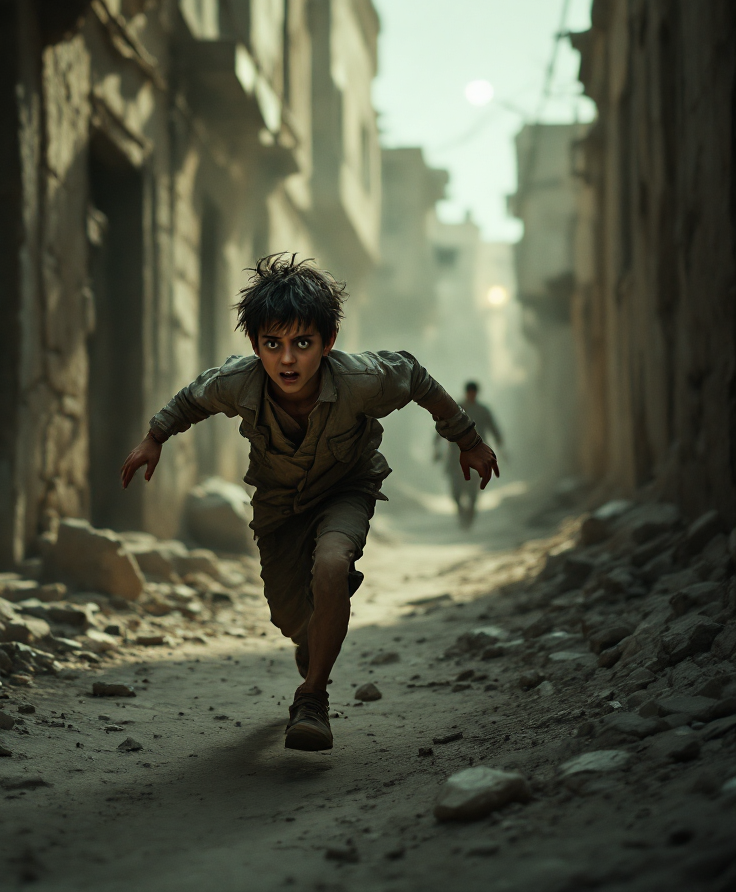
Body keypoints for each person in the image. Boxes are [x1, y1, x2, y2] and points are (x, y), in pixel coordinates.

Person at [119, 255, 499, 753]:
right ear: (255, 346)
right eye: (272, 345)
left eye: (303, 343)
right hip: (279, 505)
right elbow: (193, 398)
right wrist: (154, 438)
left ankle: (313, 699)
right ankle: (314, 630)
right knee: (288, 616)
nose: (288, 360)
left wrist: (466, 438)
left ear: (328, 342)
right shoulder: (239, 381)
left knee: (331, 564)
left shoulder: (362, 379)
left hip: (347, 488)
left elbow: (418, 378)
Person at [435, 381, 503, 529]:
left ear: (476, 393)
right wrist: (437, 448)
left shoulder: (483, 410)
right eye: (470, 392)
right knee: (456, 491)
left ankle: (470, 513)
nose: (472, 395)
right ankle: (460, 511)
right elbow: (441, 426)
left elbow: (493, 428)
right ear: (466, 393)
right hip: (455, 455)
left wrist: (500, 445)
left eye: (474, 393)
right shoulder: (455, 409)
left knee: (473, 489)